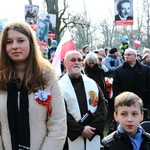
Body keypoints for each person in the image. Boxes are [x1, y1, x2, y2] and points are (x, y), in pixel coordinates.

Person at [0, 20, 67, 149]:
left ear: (31, 43)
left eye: (20, 40)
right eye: (9, 42)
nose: (14, 46)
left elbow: (58, 124)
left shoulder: (47, 78)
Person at [59, 50, 108, 150]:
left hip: (92, 132)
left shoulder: (92, 83)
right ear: (65, 63)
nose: (76, 62)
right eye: (73, 60)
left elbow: (102, 106)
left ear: (82, 63)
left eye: (79, 60)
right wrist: (80, 130)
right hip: (71, 136)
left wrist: (93, 127)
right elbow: (59, 112)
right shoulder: (59, 86)